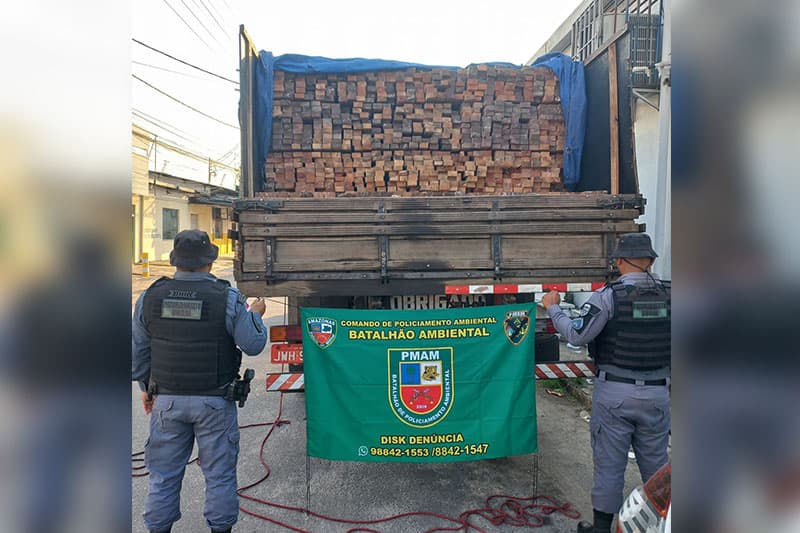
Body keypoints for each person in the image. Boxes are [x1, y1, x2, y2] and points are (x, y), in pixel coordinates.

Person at [132, 230, 268, 533]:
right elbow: (253, 344)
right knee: (219, 475)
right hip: (214, 403)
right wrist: (255, 315)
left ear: (175, 261)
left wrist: (146, 389)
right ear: (210, 261)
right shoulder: (227, 298)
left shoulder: (149, 297)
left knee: (163, 476)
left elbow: (138, 354)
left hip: (166, 401)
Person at [541, 233, 670, 533]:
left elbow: (577, 334)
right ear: (650, 262)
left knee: (609, 465)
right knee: (657, 471)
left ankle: (600, 529)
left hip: (615, 393)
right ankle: (661, 526)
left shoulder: (609, 297)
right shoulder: (671, 296)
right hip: (657, 395)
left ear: (620, 261)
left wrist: (553, 308)